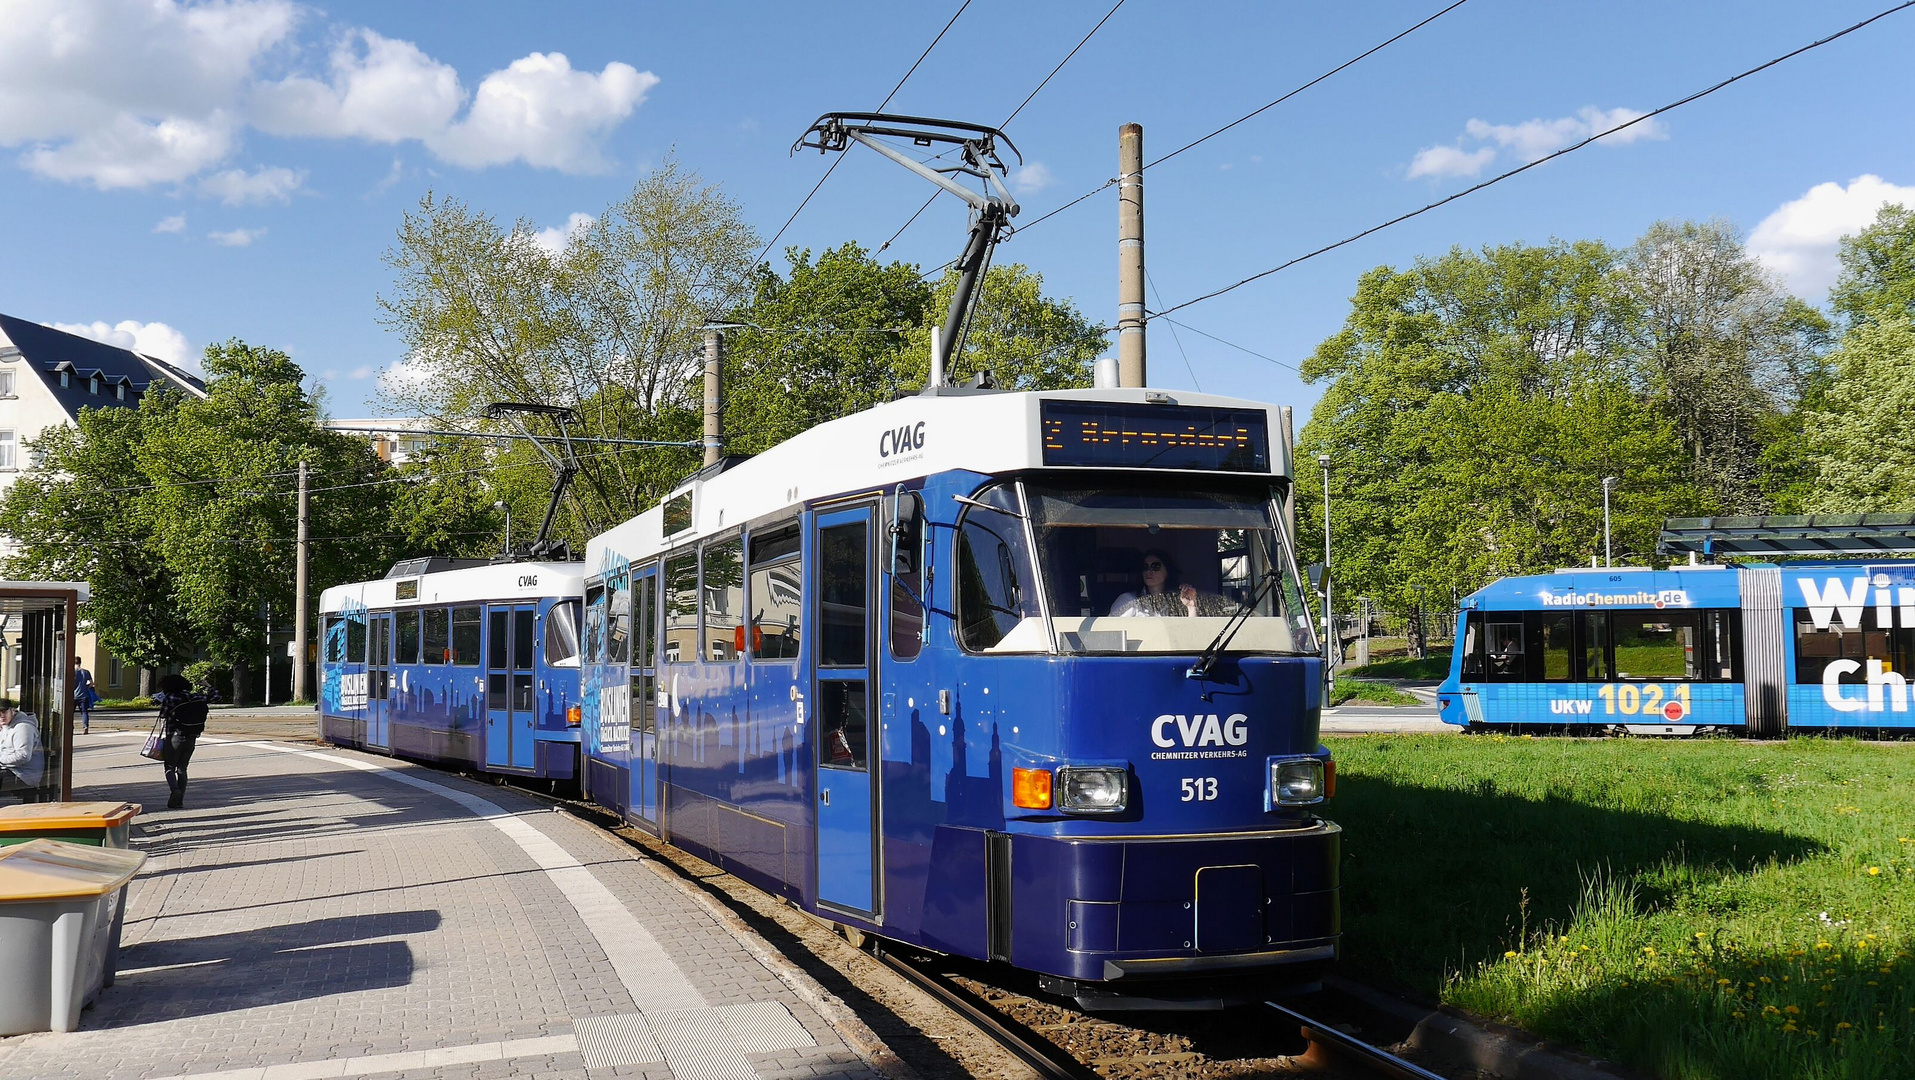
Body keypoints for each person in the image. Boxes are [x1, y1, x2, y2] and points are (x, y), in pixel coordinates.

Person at [1111, 549, 1236, 618]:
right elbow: (1112, 635)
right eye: (1145, 567)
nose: (1149, 571)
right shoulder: (1128, 601)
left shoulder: (1176, 602)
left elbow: (1192, 634)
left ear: (1167, 571)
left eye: (1155, 566)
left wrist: (1191, 606)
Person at [155, 674, 207, 809]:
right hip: (191, 737)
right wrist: (207, 685)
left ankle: (175, 790)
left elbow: (163, 715)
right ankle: (180, 800)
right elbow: (216, 697)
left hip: (174, 737)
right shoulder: (196, 696)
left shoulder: (170, 697)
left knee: (169, 767)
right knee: (182, 768)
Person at [0, 698, 43, 801]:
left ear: (12, 710)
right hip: (12, 770)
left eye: (4, 712)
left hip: (24, 775)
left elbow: (23, 755)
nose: (2, 716)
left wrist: (0, 759)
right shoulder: (7, 726)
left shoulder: (22, 728)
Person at [72, 657, 97, 735]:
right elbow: (92, 683)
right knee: (84, 712)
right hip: (84, 695)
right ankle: (85, 727)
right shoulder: (86, 672)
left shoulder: (73, 672)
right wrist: (86, 687)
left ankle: (70, 728)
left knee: (70, 713)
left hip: (73, 696)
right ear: (80, 662)